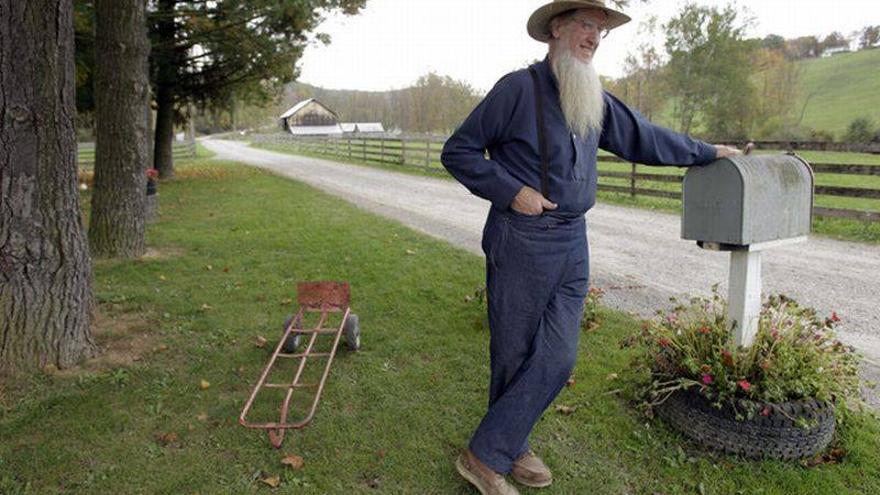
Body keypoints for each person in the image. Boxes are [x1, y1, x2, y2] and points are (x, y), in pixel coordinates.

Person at [441, 1, 742, 493]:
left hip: (573, 240)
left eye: (601, 29)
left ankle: (490, 449)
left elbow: (645, 137)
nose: (594, 36)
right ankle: (504, 451)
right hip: (523, 237)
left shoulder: (591, 95)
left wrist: (707, 152)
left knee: (558, 355)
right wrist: (512, 191)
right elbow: (459, 150)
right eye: (586, 24)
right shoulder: (517, 89)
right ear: (556, 28)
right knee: (515, 353)